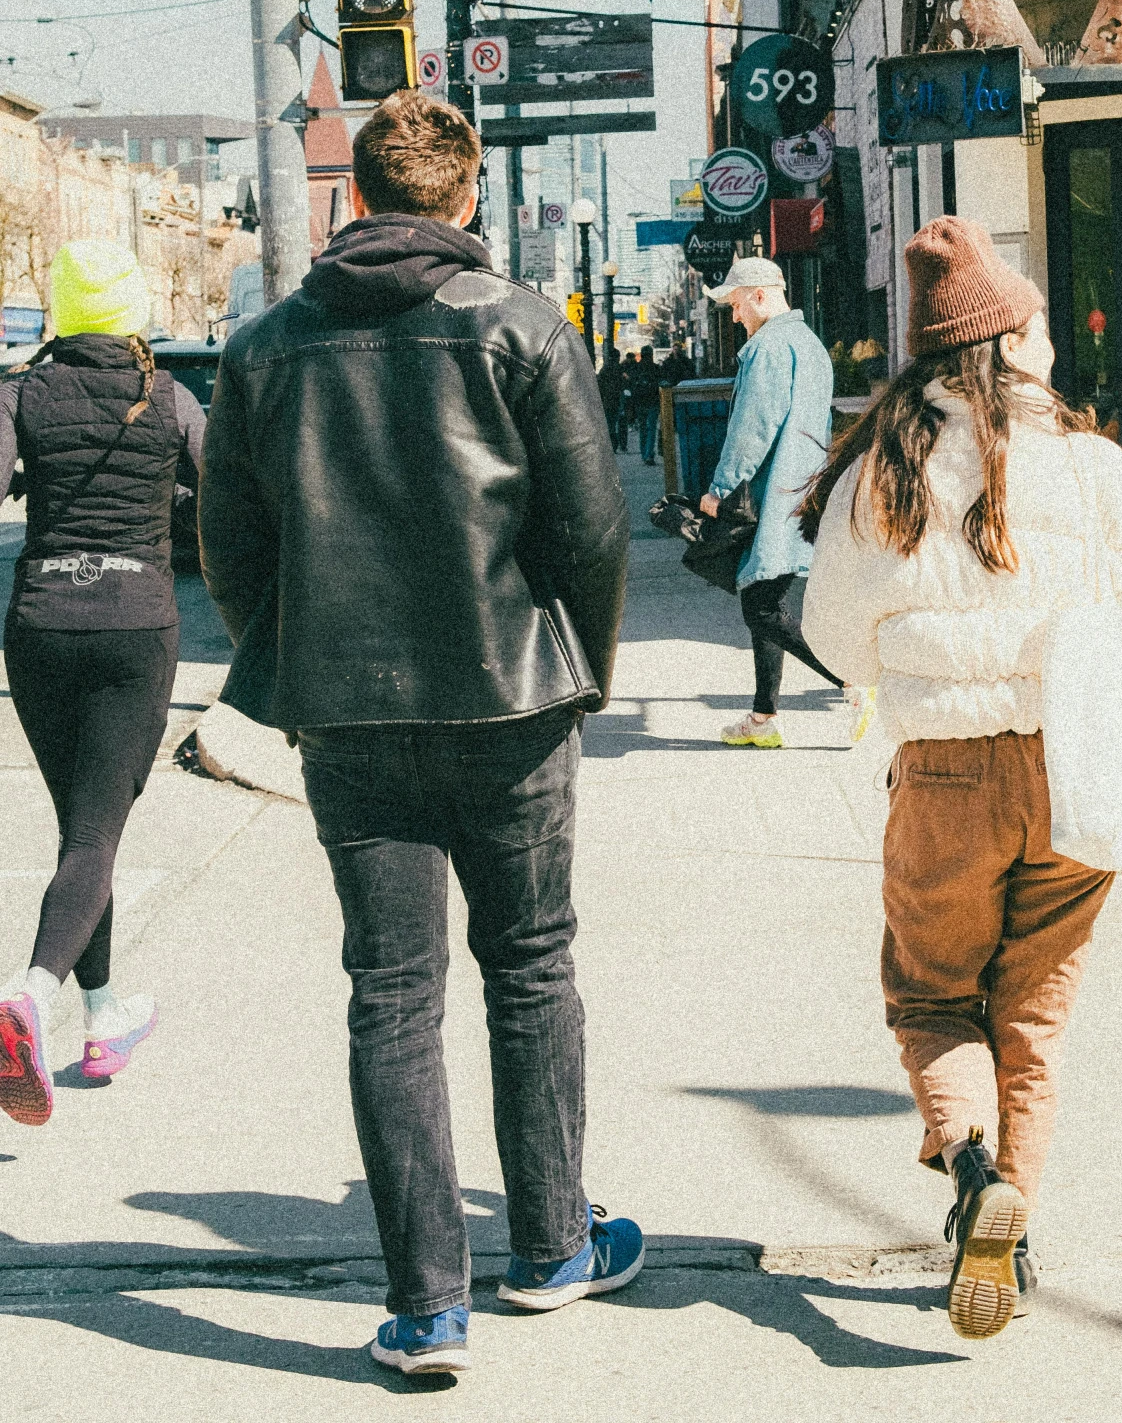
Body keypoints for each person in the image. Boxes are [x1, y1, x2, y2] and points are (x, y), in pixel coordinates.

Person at [199, 90, 642, 1379]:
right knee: (531, 965)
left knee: (391, 992)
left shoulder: (269, 345)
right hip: (512, 701)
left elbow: (233, 539)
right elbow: (593, 524)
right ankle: (553, 1245)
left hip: (348, 711)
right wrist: (581, 666)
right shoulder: (517, 325)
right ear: (466, 196)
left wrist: (291, 649)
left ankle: (426, 1305)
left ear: (356, 193)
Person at [800, 217, 1122, 1341]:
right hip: (1075, 768)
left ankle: (972, 1171)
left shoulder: (884, 470)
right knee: (1036, 1011)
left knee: (929, 993)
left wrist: (922, 656)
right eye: (1039, 323)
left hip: (947, 776)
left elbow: (834, 635)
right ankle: (1014, 1212)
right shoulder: (1093, 463)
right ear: (1010, 342)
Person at [0, 242, 205, 1126]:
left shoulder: (18, 394)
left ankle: (103, 1016)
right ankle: (31, 995)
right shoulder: (168, 396)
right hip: (134, 628)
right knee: (95, 833)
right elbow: (235, 495)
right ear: (131, 314)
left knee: (86, 832)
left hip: (42, 625)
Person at [698, 256, 857, 748]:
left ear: (762, 295)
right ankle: (763, 718)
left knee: (762, 606)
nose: (734, 315)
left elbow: (752, 429)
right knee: (765, 598)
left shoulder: (767, 348)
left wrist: (720, 490)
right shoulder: (809, 346)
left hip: (770, 494)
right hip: (800, 489)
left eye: (737, 303)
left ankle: (853, 682)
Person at [631, 344, 659, 465]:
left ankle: (644, 454)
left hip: (640, 403)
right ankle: (649, 454)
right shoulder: (655, 368)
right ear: (651, 355)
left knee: (643, 429)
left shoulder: (636, 368)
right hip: (653, 402)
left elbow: (631, 386)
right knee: (651, 428)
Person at [598, 348, 628, 453]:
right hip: (619, 399)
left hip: (608, 401)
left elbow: (599, 385)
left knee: (610, 424)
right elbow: (625, 384)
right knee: (622, 423)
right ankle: (622, 444)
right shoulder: (620, 369)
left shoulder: (604, 369)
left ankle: (612, 445)